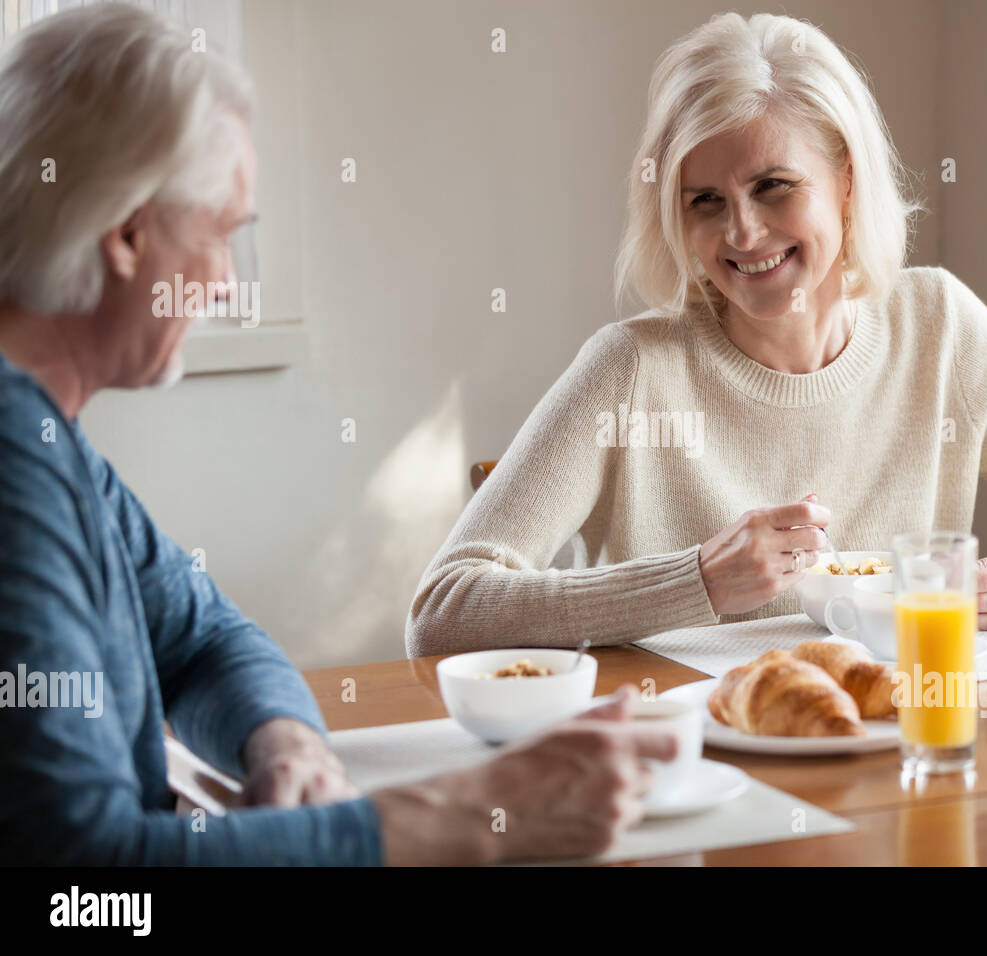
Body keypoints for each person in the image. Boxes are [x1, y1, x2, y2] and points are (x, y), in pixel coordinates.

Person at [0, 4, 672, 866]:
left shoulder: (56, 452)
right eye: (222, 239)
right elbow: (85, 885)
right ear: (127, 235)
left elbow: (208, 640)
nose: (229, 288)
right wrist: (466, 819)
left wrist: (286, 742)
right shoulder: (17, 473)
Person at [406, 12, 987, 656]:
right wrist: (697, 580)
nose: (742, 231)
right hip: (688, 766)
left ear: (845, 181)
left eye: (774, 186)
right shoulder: (632, 368)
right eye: (705, 200)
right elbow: (442, 609)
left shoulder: (940, 325)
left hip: (898, 749)